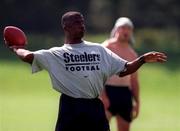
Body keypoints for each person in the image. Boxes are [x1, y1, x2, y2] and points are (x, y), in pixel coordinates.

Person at [6, 11, 167, 131]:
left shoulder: (98, 50)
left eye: (82, 22)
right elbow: (28, 56)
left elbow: (124, 69)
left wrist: (142, 59)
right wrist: (17, 49)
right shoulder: (57, 54)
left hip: (94, 107)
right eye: (76, 22)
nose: (81, 25)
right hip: (70, 107)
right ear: (66, 27)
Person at [100, 17, 139, 131]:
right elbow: (98, 74)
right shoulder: (105, 48)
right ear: (116, 29)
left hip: (124, 94)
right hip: (108, 91)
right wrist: (102, 96)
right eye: (123, 28)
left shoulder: (132, 54)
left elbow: (134, 81)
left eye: (128, 28)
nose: (125, 31)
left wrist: (137, 102)